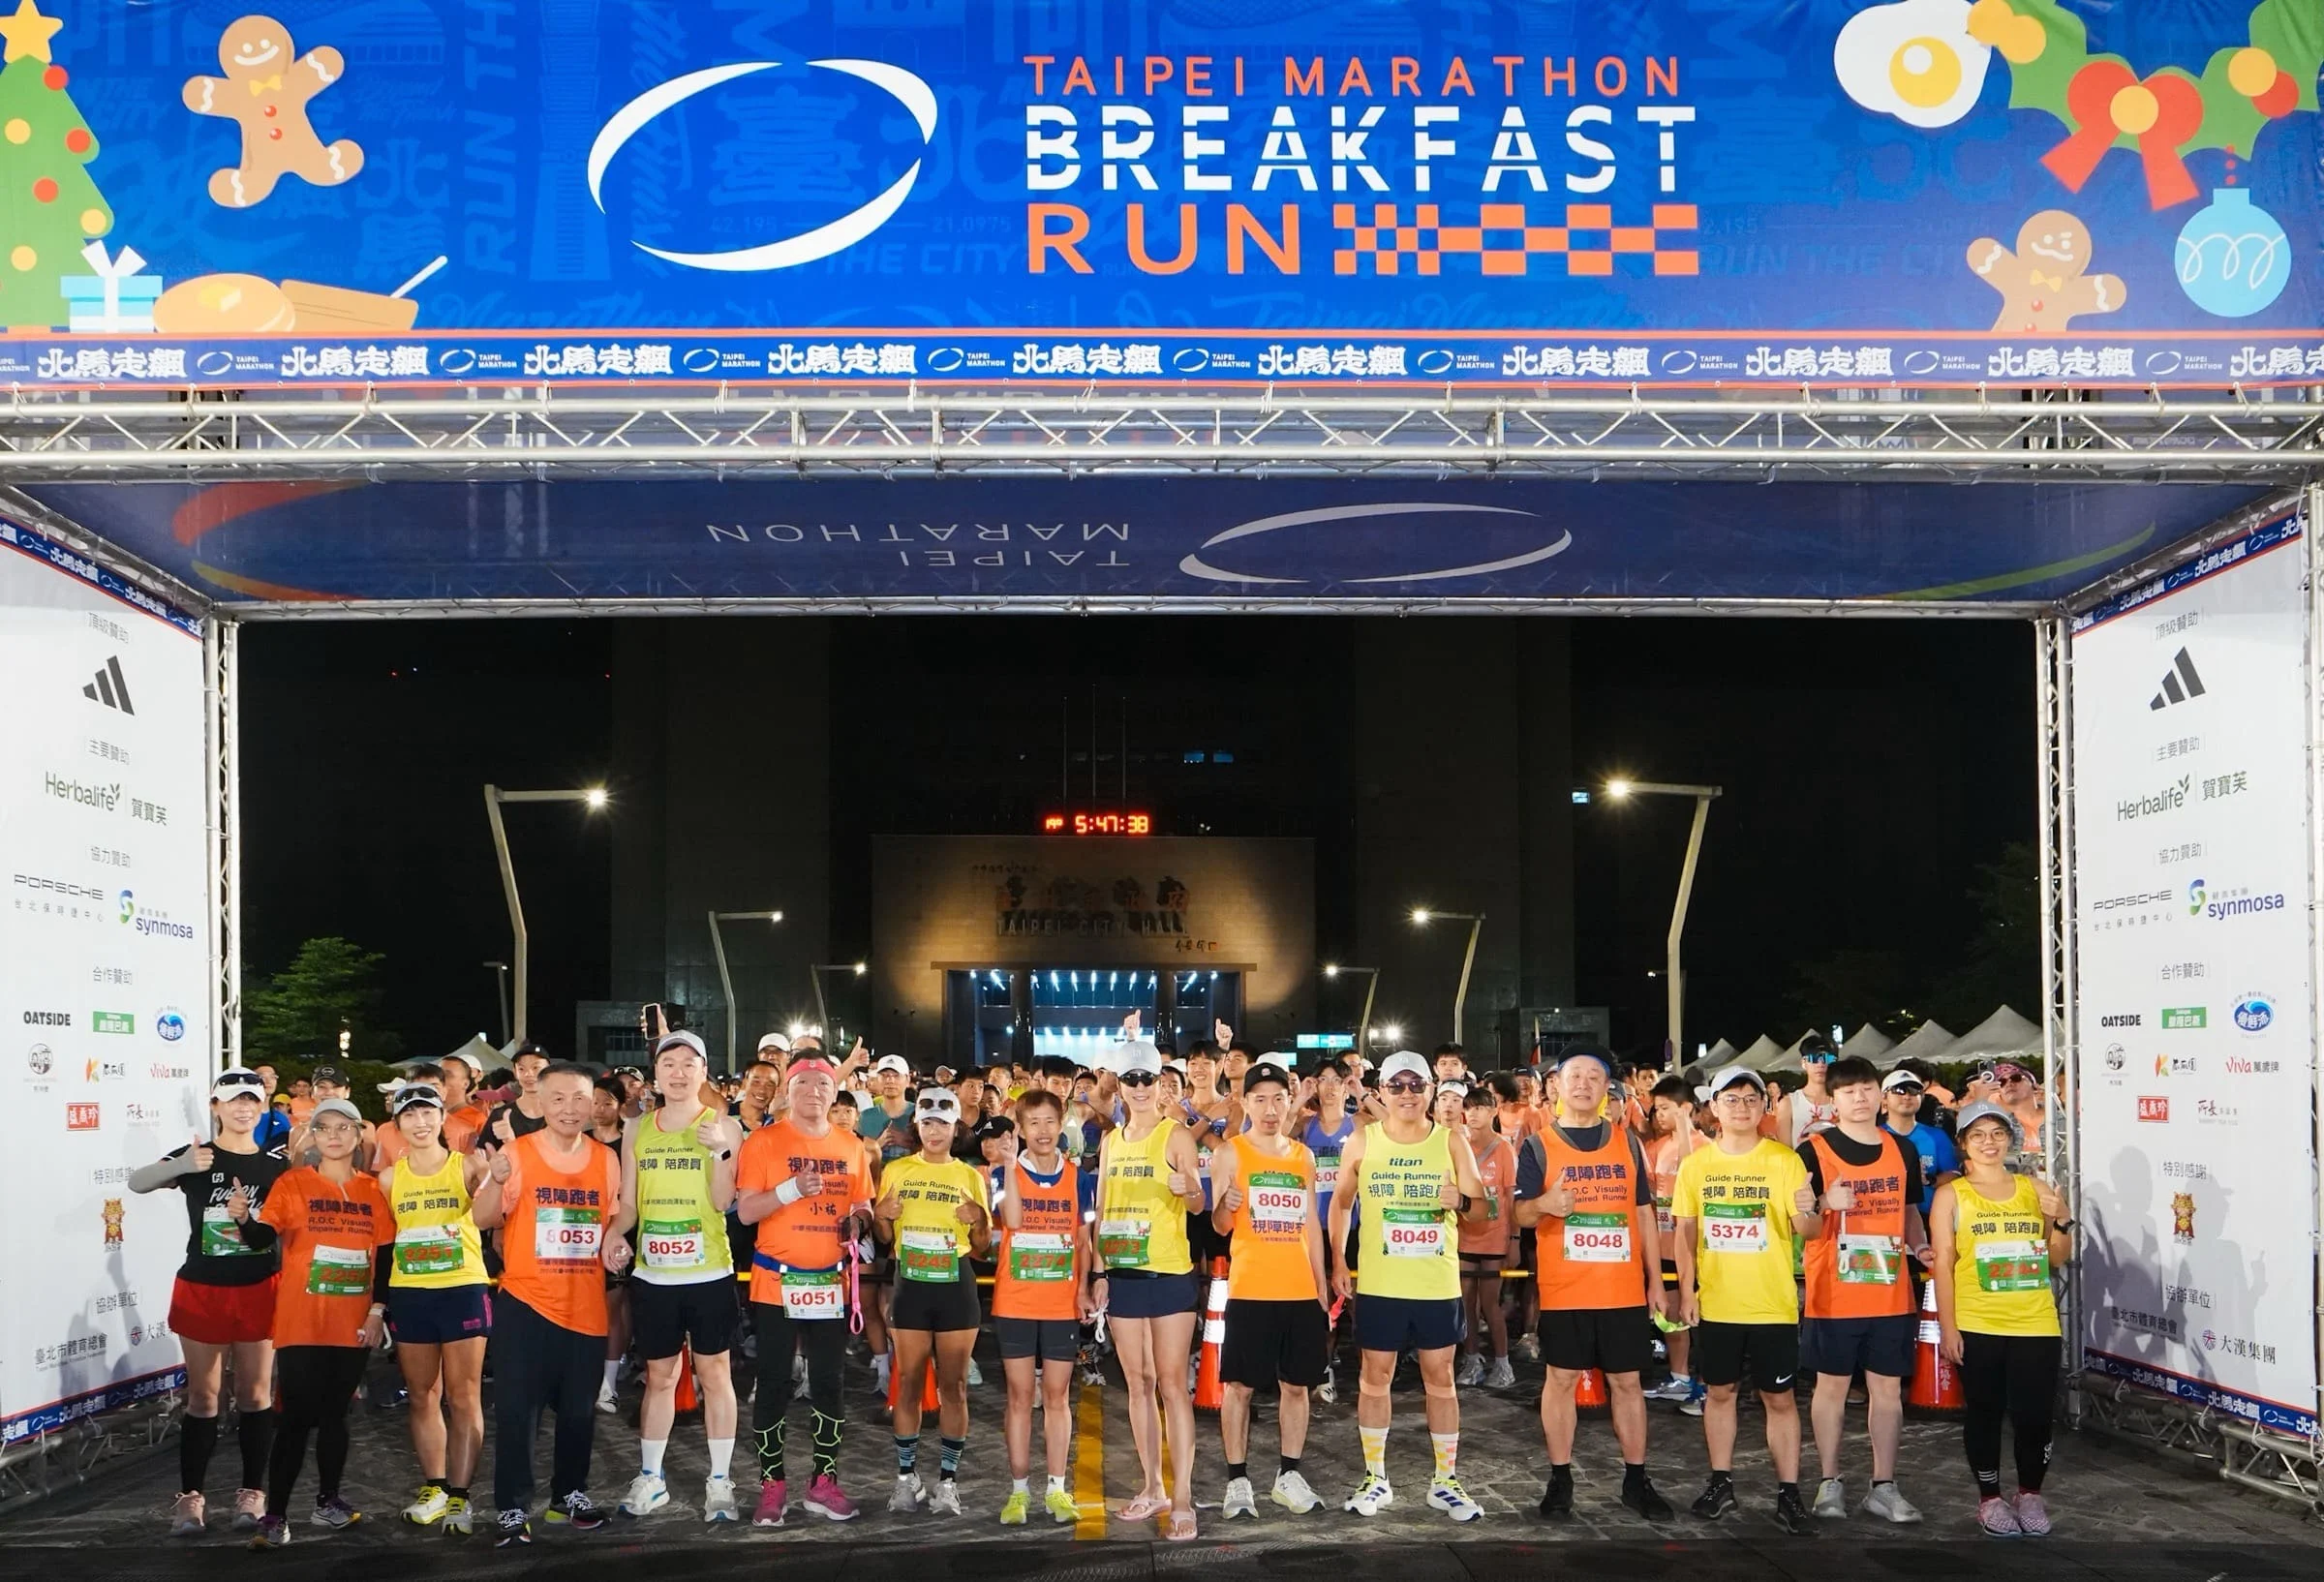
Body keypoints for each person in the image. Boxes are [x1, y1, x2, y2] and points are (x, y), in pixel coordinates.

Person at [1328, 1050, 1489, 1523]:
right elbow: (1341, 1203)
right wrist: (1338, 1259)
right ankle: (1375, 1478)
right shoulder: (1363, 1139)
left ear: (1430, 1090)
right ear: (1381, 1091)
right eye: (1396, 1085)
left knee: (1441, 1379)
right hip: (1381, 1284)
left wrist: (1461, 1201)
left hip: (1436, 1284)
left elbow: (1484, 1210)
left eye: (1416, 1085)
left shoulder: (1451, 1141)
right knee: (1374, 1378)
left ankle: (1446, 1481)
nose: (1406, 1094)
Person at [473, 1062, 629, 1544]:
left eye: (580, 1098)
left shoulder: (606, 1159)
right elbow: (482, 1218)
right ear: (539, 1103)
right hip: (527, 1303)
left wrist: (615, 1243)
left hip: (585, 1305)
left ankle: (570, 1495)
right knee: (518, 1413)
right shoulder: (516, 1153)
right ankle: (512, 1507)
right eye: (557, 1098)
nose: (569, 1108)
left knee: (580, 1412)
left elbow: (611, 1222)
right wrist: (495, 1179)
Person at [1514, 1046, 1672, 1523]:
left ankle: (1636, 1479)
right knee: (1560, 1380)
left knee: (1628, 1382)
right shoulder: (1537, 1145)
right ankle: (1560, 1479)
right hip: (1565, 1289)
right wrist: (1545, 1205)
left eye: (1593, 1076)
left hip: (1621, 1289)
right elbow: (1520, 1214)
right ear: (1556, 1086)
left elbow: (1643, 1214)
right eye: (1574, 1075)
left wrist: (1655, 1280)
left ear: (1607, 1088)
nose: (1583, 1084)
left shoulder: (1628, 1143)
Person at [128, 1067, 290, 1536]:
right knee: (203, 1396)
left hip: (259, 1287)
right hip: (202, 1288)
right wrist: (180, 1165)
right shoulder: (197, 1155)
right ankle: (190, 1498)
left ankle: (252, 1493)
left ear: (263, 1107)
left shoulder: (277, 1165)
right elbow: (138, 1182)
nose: (243, 1108)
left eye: (251, 1100)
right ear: (215, 1106)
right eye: (233, 1099)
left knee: (256, 1394)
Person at [235, 1098, 395, 1546]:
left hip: (353, 1322)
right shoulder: (293, 1183)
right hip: (302, 1321)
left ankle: (328, 1501)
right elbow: (262, 1237)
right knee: (295, 1417)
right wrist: (244, 1218)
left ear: (358, 1135)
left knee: (335, 1414)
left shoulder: (372, 1190)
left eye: (344, 1127)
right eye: (324, 1127)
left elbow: (385, 1257)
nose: (334, 1135)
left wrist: (377, 1311)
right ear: (314, 1136)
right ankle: (276, 1515)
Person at [1669, 1065, 1820, 1535]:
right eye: (1731, 1099)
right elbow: (1685, 1233)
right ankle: (1721, 1482)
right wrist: (1688, 1290)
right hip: (1718, 1304)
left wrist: (1811, 1208)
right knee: (1719, 1394)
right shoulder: (1696, 1165)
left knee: (1780, 1398)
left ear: (1764, 1107)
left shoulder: (1784, 1161)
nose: (1741, 1107)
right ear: (1713, 1108)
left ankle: (1789, 1492)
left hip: (1773, 1303)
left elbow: (1809, 1230)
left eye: (1751, 1099)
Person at [734, 1050, 872, 1527]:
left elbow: (862, 1203)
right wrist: (791, 1189)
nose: (814, 1092)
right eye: (803, 1084)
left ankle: (823, 1482)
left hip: (830, 1281)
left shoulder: (851, 1145)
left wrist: (860, 1222)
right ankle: (772, 1484)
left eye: (823, 1085)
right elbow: (746, 1212)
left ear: (835, 1093)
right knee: (774, 1380)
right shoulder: (764, 1142)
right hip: (777, 1282)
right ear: (787, 1091)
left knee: (830, 1382)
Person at [612, 1030, 746, 1522]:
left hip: (709, 1272)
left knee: (715, 1375)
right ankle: (651, 1477)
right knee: (660, 1377)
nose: (679, 1072)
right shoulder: (636, 1129)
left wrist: (719, 1152)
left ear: (704, 1072)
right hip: (655, 1275)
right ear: (656, 1074)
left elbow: (723, 1201)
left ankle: (720, 1482)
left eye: (690, 1063)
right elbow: (629, 1203)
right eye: (669, 1063)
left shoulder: (724, 1126)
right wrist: (614, 1234)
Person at [1796, 1056, 1933, 1524]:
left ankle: (1884, 1485)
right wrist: (1823, 1203)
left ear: (1880, 1094)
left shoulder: (1902, 1149)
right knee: (1831, 1387)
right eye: (1848, 1091)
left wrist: (1920, 1245)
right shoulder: (1813, 1151)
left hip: (1890, 1291)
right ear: (1833, 1100)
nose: (1860, 1098)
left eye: (1867, 1088)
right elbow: (1802, 1226)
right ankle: (1828, 1481)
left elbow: (1909, 1211)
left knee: (1887, 1390)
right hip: (1833, 1293)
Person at [1932, 1102, 2073, 1538]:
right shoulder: (1952, 1195)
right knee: (1985, 1413)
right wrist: (1949, 1327)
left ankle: (2030, 1493)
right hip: (1978, 1321)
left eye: (1997, 1133)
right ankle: (1990, 1498)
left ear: (2010, 1138)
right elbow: (1943, 1264)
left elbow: (2056, 1257)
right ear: (1963, 1143)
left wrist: (2062, 1220)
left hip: (2035, 1321)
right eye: (1977, 1135)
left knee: (2034, 1415)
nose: (1989, 1143)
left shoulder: (2036, 1188)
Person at [1092, 1029, 1208, 1540]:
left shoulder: (1175, 1135)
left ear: (1161, 1084)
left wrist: (1191, 1190)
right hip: (1122, 1275)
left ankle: (1182, 1498)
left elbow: (1198, 1204)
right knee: (1137, 1384)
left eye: (1148, 1079)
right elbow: (1102, 1210)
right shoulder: (1111, 1141)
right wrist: (1098, 1272)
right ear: (1119, 1085)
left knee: (1172, 1384)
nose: (1140, 1088)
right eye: (1131, 1079)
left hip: (1168, 1274)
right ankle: (1153, 1486)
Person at [1209, 1061, 1330, 1518]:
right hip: (1250, 1289)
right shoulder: (1230, 1152)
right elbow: (1219, 1226)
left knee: (1297, 1387)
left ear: (1289, 1101)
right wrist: (1226, 1205)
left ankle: (1289, 1475)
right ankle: (1237, 1480)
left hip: (1299, 1290)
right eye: (1259, 1099)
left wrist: (1321, 1283)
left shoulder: (1303, 1156)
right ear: (1245, 1103)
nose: (1269, 1108)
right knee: (1239, 1387)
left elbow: (1312, 1225)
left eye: (1278, 1098)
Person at [379, 1082, 493, 1535]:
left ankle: (461, 1496)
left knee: (463, 1396)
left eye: (428, 1113)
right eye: (410, 1115)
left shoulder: (468, 1165)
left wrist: (493, 1177)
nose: (420, 1123)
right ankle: (436, 1488)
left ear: (443, 1118)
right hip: (411, 1292)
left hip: (461, 1288)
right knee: (423, 1394)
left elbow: (492, 1214)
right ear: (397, 1124)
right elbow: (387, 1240)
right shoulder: (389, 1179)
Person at [874, 1089, 994, 1516]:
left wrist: (978, 1219)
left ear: (956, 1128)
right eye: (927, 1123)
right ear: (917, 1126)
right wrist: (881, 1215)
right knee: (908, 1383)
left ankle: (947, 1481)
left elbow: (982, 1246)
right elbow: (884, 1238)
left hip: (955, 1285)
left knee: (954, 1387)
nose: (935, 1131)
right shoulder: (896, 1170)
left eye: (943, 1123)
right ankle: (906, 1478)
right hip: (910, 1284)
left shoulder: (970, 1175)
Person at [992, 1088, 1094, 1525]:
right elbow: (1013, 1221)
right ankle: (1019, 1492)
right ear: (1020, 1129)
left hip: (1060, 1304)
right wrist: (1009, 1165)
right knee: (1019, 1397)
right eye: (1032, 1123)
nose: (1043, 1130)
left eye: (1050, 1121)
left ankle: (1056, 1489)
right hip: (1015, 1301)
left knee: (1057, 1396)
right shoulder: (1002, 1173)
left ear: (1061, 1123)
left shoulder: (1079, 1178)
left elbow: (1084, 1241)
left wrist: (1085, 1288)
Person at [1641, 1076, 1707, 1415]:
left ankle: (1705, 1385)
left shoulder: (1704, 1147)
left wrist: (1683, 1129)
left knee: (1698, 1316)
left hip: (1695, 1249)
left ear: (1686, 1108)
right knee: (1671, 1315)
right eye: (1656, 1109)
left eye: (1666, 1108)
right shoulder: (1656, 1147)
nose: (1659, 1115)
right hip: (1665, 1246)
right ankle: (1680, 1378)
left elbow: (1692, 1175)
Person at [1455, 1083, 1517, 1389]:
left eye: (1480, 1108)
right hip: (1465, 1236)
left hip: (1494, 1237)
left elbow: (1511, 1198)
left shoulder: (1504, 1149)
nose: (1473, 1114)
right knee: (1466, 1303)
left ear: (1493, 1111)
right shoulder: (1460, 1147)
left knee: (1490, 1303)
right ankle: (1472, 1361)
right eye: (1469, 1108)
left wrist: (1514, 1240)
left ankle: (1503, 1364)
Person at [1881, 1070, 1961, 1219]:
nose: (1907, 1096)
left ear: (1922, 1097)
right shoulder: (1874, 1136)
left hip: (1928, 1217)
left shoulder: (1936, 1136)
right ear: (1884, 1098)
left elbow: (1955, 1175)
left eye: (1914, 1090)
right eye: (1899, 1090)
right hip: (1885, 1216)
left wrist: (1929, 1179)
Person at [1776, 1035, 1838, 1145]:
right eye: (1813, 1058)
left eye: (1827, 1059)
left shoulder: (1844, 1101)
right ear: (1803, 1063)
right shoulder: (1789, 1103)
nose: (1820, 1064)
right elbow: (1785, 1150)